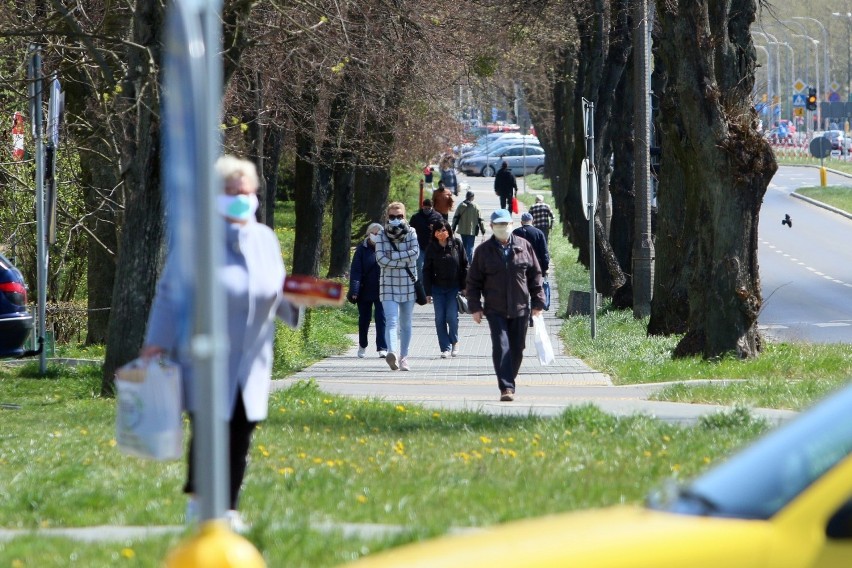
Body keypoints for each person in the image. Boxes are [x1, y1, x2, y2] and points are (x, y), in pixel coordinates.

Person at [141, 155, 302, 533]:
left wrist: (300, 302)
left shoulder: (264, 239)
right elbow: (170, 294)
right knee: (212, 428)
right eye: (233, 192)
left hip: (252, 359)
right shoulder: (198, 241)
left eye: (247, 192)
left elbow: (277, 291)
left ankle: (228, 508)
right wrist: (155, 344)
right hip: (206, 355)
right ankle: (200, 504)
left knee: (242, 429)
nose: (242, 199)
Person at [466, 209, 545, 402]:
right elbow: (473, 281)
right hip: (495, 309)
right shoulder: (483, 251)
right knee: (501, 346)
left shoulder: (524, 246)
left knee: (517, 348)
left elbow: (535, 275)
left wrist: (538, 302)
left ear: (512, 225)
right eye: (498, 225)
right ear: (492, 227)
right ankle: (506, 387)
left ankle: (508, 376)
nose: (503, 228)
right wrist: (475, 307)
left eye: (506, 224)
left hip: (520, 308)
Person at [375, 202, 419, 372]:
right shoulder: (380, 235)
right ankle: (392, 353)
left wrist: (392, 257)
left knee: (406, 322)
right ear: (387, 217)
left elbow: (415, 254)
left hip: (408, 283)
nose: (396, 220)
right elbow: (380, 260)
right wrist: (402, 259)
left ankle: (404, 357)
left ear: (404, 216)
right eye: (392, 217)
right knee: (391, 321)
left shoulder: (412, 232)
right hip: (388, 285)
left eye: (399, 216)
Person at [423, 220, 468, 358]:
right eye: (438, 230)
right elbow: (426, 270)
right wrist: (428, 292)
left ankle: (454, 342)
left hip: (454, 288)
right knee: (439, 318)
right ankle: (445, 348)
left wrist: (465, 286)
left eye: (444, 230)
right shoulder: (431, 248)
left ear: (449, 231)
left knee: (451, 317)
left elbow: (465, 265)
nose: (441, 233)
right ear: (434, 233)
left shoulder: (457, 244)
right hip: (437, 288)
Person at [349, 222, 388, 359]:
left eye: (379, 233)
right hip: (365, 290)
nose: (376, 236)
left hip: (382, 290)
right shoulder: (361, 249)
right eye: (374, 233)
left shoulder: (386, 248)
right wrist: (354, 290)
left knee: (381, 318)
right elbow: (356, 271)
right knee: (364, 319)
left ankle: (382, 347)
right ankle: (362, 345)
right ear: (368, 233)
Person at [408, 199, 443, 281]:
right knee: (420, 267)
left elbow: (444, 230)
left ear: (432, 207)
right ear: (422, 207)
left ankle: (433, 284)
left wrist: (435, 229)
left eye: (428, 208)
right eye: (425, 208)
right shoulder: (416, 217)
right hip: (420, 246)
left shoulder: (438, 217)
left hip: (434, 247)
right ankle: (422, 286)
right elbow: (409, 230)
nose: (426, 210)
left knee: (434, 267)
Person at [451, 190, 486, 262]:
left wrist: (453, 228)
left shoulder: (461, 206)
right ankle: (468, 264)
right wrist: (483, 230)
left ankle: (463, 262)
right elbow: (480, 220)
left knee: (464, 246)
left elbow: (456, 218)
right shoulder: (476, 207)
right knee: (470, 247)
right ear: (472, 197)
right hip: (472, 230)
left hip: (462, 230)